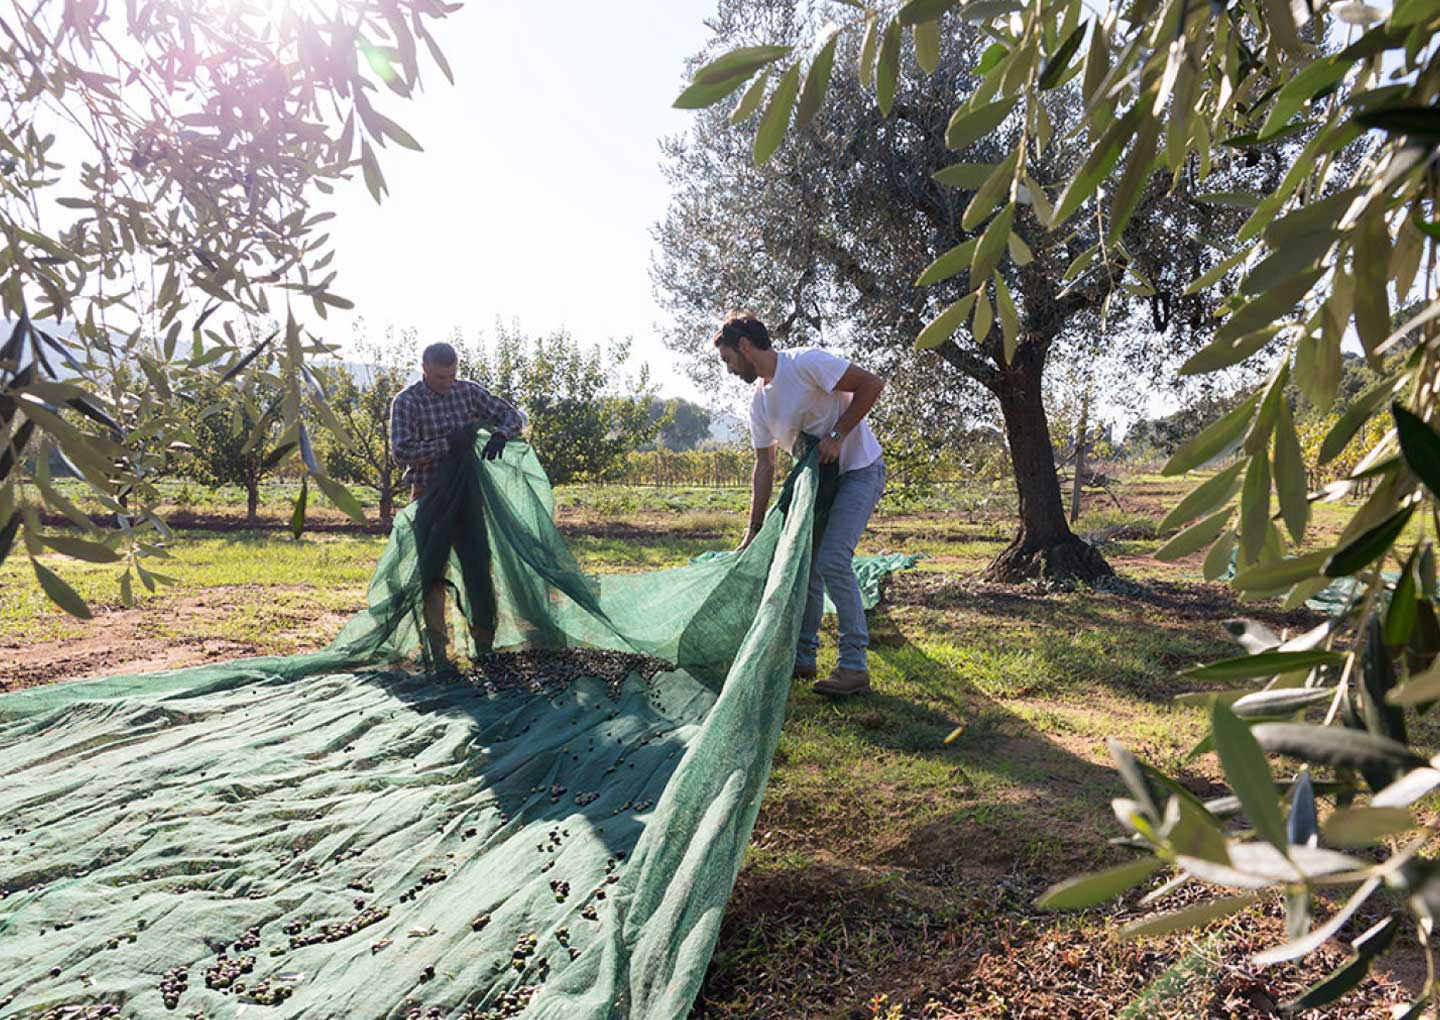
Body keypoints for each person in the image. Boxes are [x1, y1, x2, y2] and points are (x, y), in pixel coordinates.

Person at [714, 313, 886, 697]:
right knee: (807, 566)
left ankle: (853, 666)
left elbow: (872, 384)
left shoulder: (806, 363)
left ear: (744, 346)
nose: (728, 371)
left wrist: (838, 435)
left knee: (833, 560)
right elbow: (765, 465)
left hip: (859, 471)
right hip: (817, 486)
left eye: (728, 360)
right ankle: (804, 657)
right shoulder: (759, 402)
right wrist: (753, 529)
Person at [389, 341, 524, 660]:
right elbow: (401, 452)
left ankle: (485, 646)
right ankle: (438, 650)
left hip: (467, 496)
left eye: (451, 376)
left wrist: (503, 433)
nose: (447, 383)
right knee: (431, 572)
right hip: (428, 496)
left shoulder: (468, 392)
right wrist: (447, 443)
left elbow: (512, 414)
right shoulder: (407, 402)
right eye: (440, 377)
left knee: (479, 566)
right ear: (424, 369)